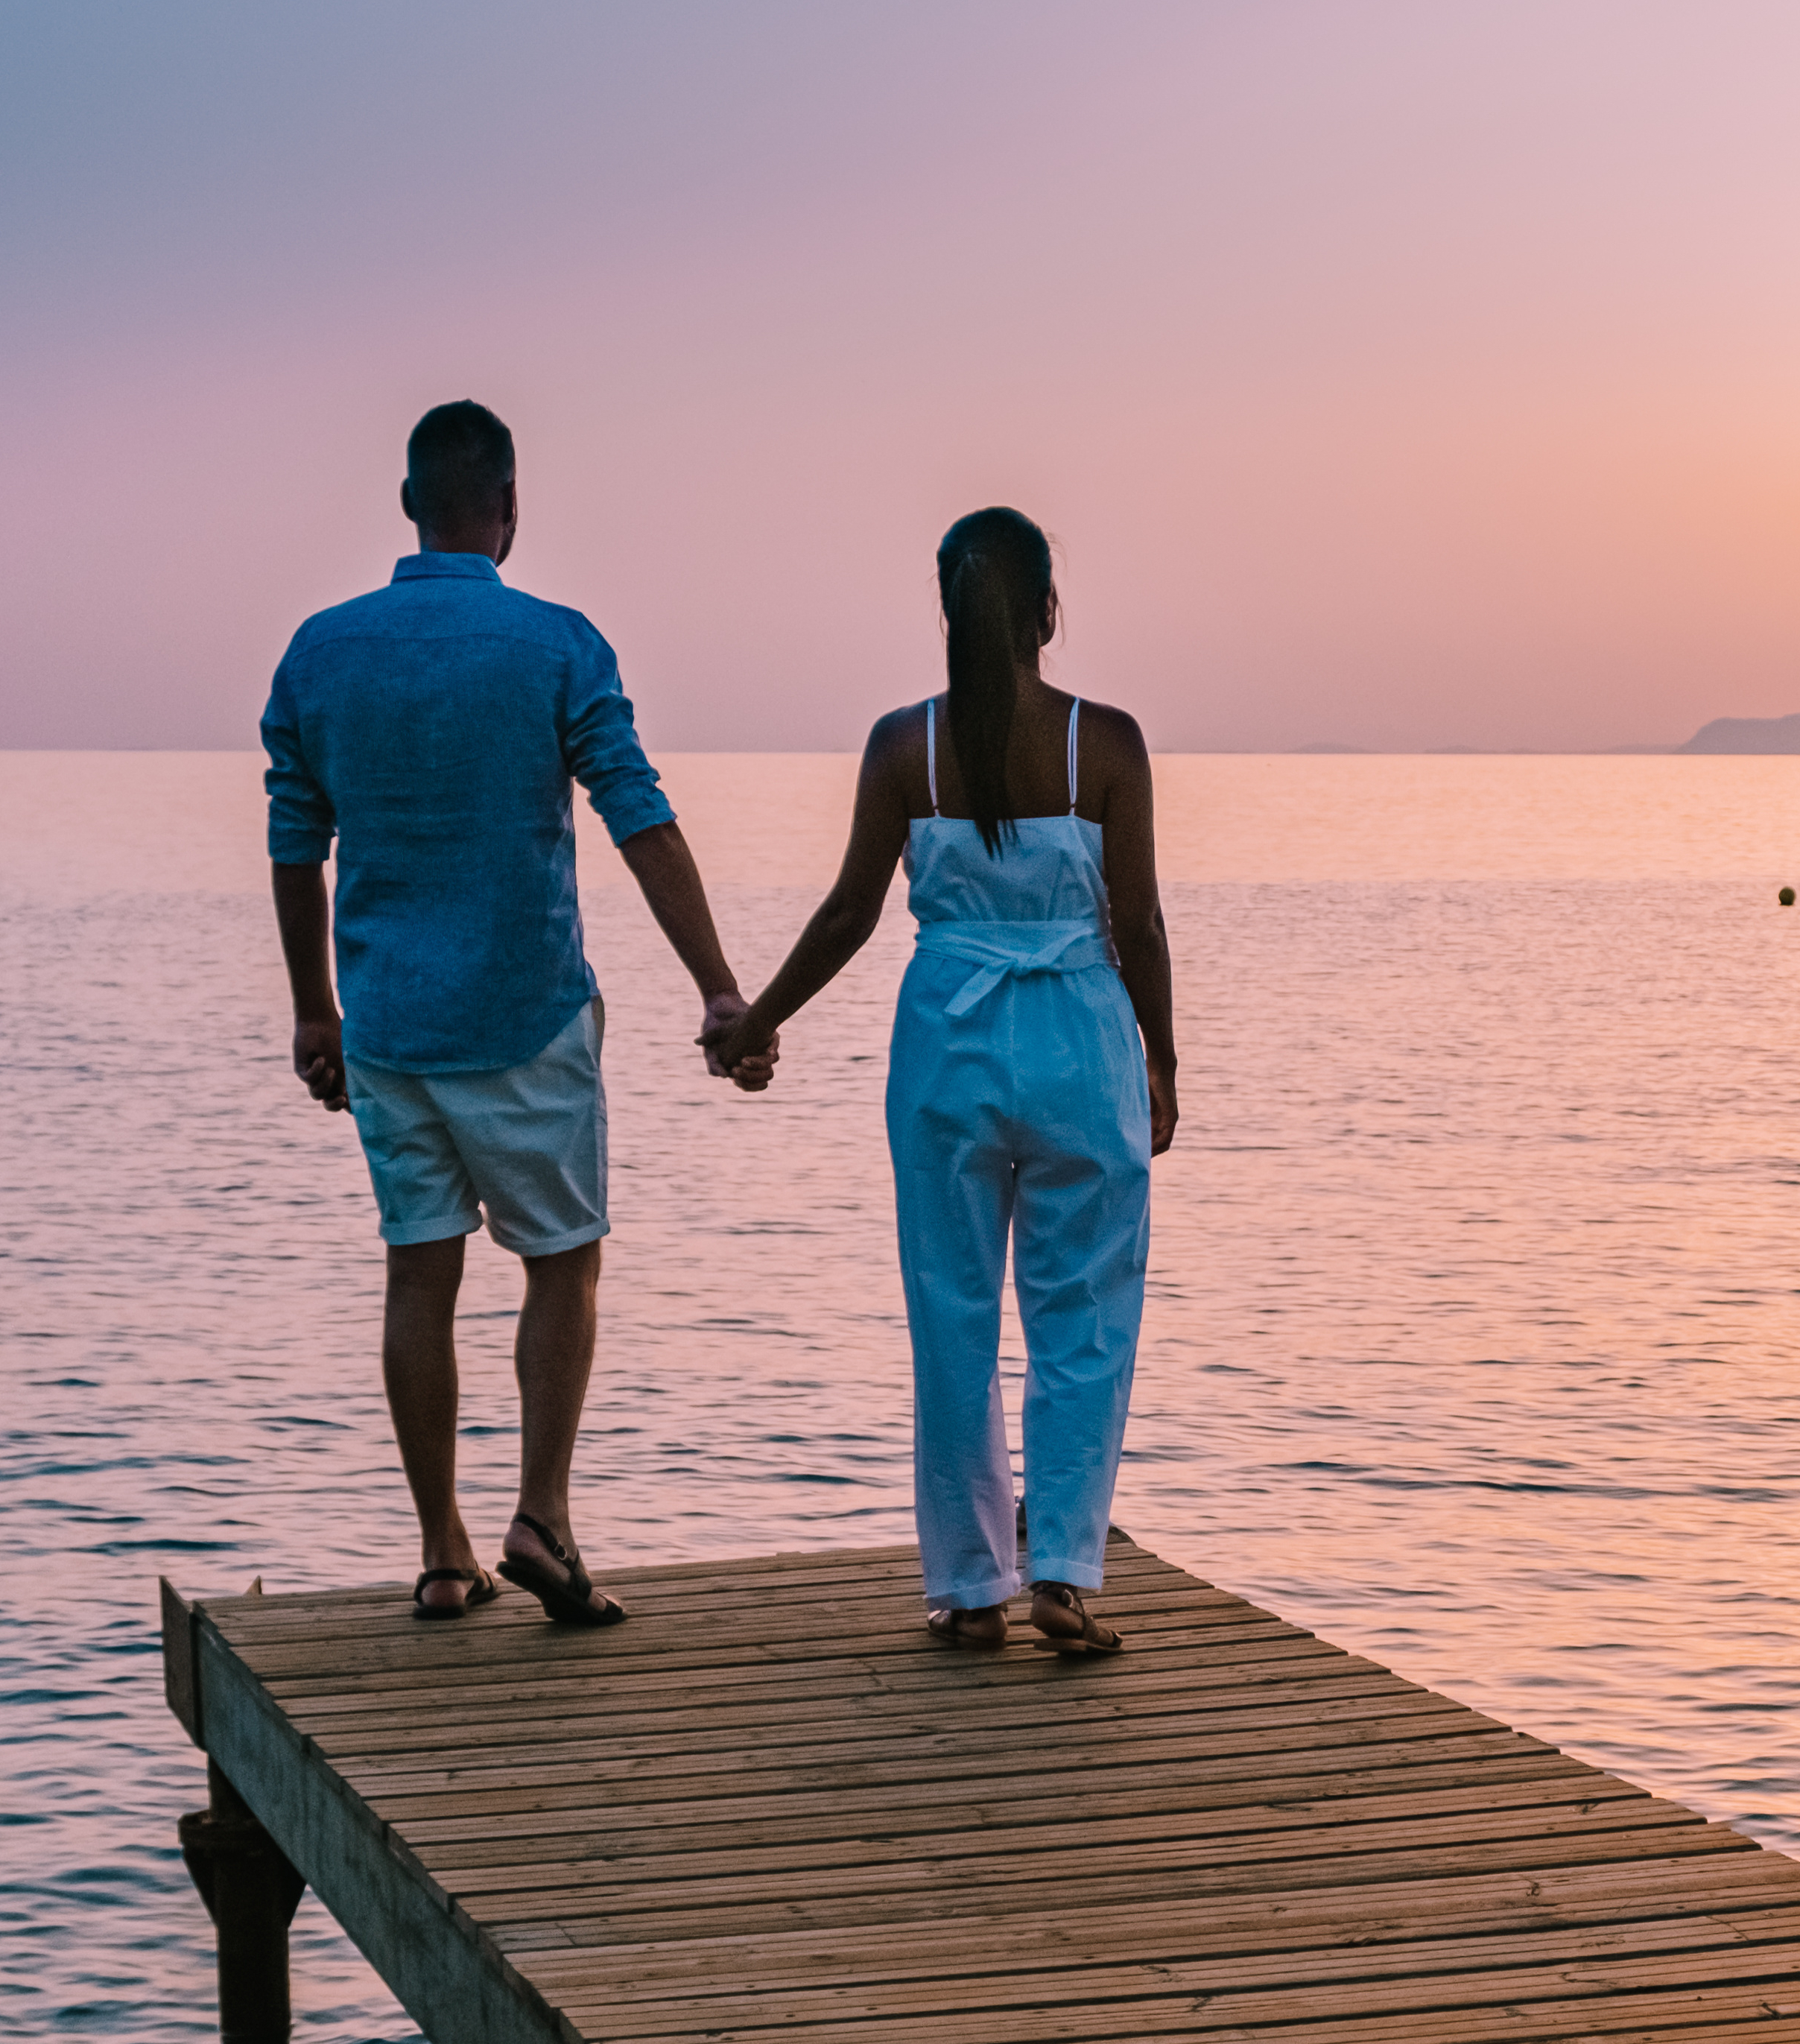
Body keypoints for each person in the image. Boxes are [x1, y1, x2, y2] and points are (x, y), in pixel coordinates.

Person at [263, 399, 767, 1627]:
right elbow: (634, 813)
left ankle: (442, 1552)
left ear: (405, 506)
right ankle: (540, 1515)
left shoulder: (320, 651)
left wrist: (313, 1013)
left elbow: (295, 843)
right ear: (508, 506)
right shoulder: (556, 645)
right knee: (562, 1263)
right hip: (527, 1015)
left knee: (417, 1279)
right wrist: (716, 984)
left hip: (386, 1023)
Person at [715, 507, 1176, 1653]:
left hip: (947, 1049)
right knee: (1084, 1315)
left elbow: (846, 915)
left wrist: (757, 1021)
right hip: (1079, 1036)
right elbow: (1143, 924)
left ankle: (971, 1586)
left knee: (953, 1317)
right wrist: (1162, 1059)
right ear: (1048, 611)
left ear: (945, 612)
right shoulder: (1103, 742)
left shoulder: (900, 746)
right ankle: (1064, 1573)